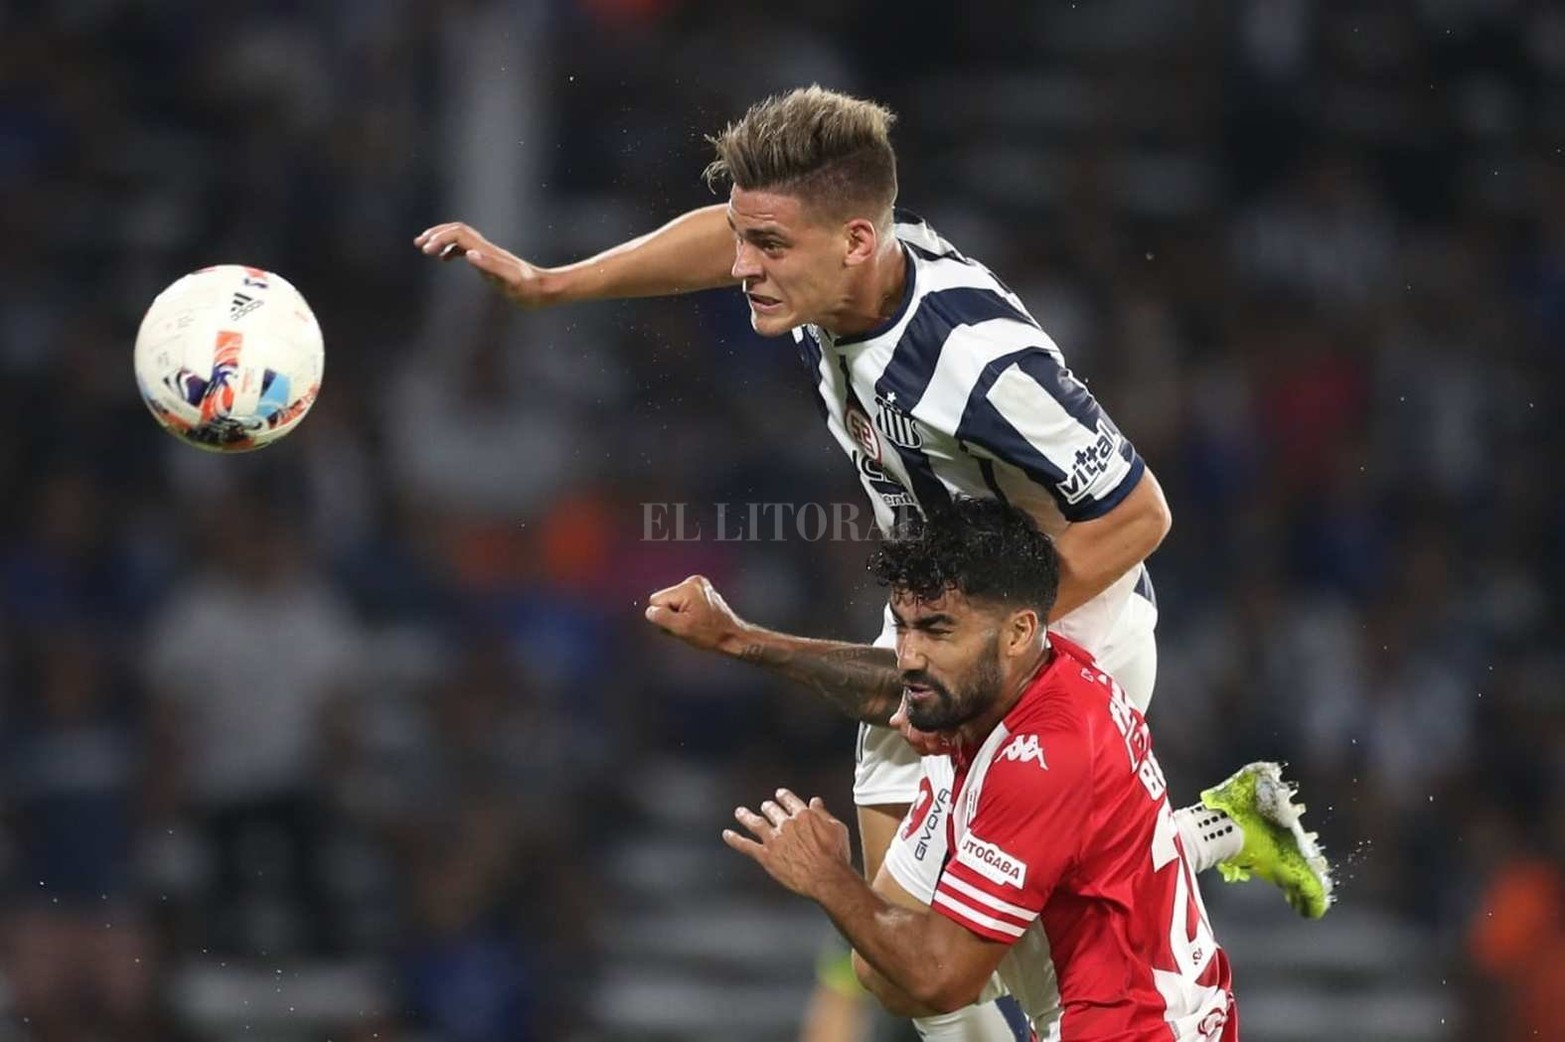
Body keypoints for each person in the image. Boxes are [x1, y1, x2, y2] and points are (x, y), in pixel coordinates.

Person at [416, 85, 1330, 1041]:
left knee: (930, 960)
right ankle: (1217, 829)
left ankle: (1187, 853)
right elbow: (727, 231)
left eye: (767, 249)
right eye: (745, 239)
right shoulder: (845, 261)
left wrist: (984, 649)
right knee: (893, 960)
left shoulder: (976, 363)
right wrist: (551, 283)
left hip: (1054, 630)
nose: (743, 268)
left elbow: (1140, 514)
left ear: (853, 241)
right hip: (945, 615)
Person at [726, 497, 1237, 1041]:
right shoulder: (1035, 679)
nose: (908, 656)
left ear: (1018, 633)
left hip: (1130, 1029)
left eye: (938, 630)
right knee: (886, 967)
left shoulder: (1041, 757)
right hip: (1154, 1008)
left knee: (918, 973)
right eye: (903, 627)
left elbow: (939, 981)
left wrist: (827, 877)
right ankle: (1214, 830)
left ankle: (1212, 830)